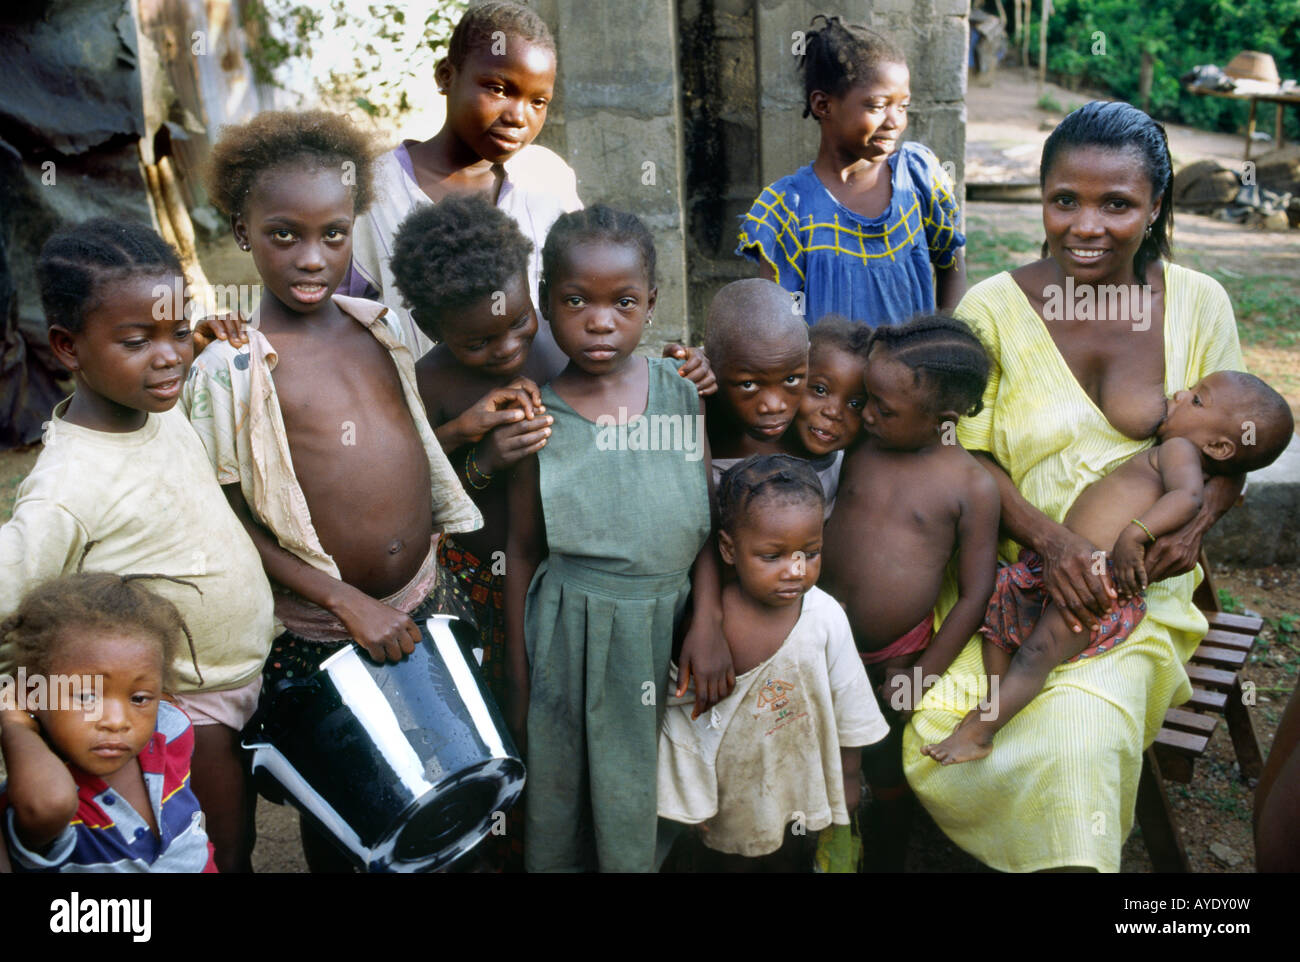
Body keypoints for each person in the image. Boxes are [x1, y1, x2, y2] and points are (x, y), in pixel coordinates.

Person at [903, 100, 1253, 872]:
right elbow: (962, 451)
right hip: (1008, 581)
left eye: (1116, 204)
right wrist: (1050, 540)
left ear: (1155, 206)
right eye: (1066, 200)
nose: (1085, 226)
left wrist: (1192, 530)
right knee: (937, 715)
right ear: (1042, 198)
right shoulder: (992, 308)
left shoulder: (1198, 305)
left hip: (1134, 593)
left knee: (1076, 742)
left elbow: (1231, 452)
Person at [183, 109, 482, 872]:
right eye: (284, 235)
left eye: (334, 234)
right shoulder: (234, 366)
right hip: (323, 633)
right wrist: (343, 599)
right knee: (354, 815)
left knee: (442, 797)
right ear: (242, 232)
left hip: (421, 599)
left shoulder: (377, 328)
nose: (312, 258)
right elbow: (215, 511)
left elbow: (399, 449)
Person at [0, 219, 277, 874]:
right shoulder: (67, 489)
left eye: (177, 332)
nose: (171, 357)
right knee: (217, 851)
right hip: (182, 707)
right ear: (68, 348)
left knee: (242, 834)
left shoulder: (159, 408)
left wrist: (181, 340)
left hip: (243, 675)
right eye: (138, 340)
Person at [505, 206, 731, 872]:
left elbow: (708, 523)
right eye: (577, 301)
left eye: (623, 302)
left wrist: (709, 620)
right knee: (566, 794)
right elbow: (521, 551)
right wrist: (520, 679)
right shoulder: (538, 416)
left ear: (651, 304)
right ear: (547, 305)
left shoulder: (682, 394)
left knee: (653, 788)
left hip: (668, 625)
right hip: (571, 636)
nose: (600, 320)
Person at [924, 370, 1293, 764]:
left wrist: (1135, 534)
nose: (1181, 393)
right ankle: (1001, 705)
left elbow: (1188, 499)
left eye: (1198, 400)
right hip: (1059, 569)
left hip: (1098, 582)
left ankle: (981, 729)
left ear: (1219, 447)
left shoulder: (1181, 451)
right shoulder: (1175, 449)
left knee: (1037, 651)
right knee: (1001, 622)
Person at [819, 313, 999, 870]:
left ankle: (888, 848)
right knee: (814, 740)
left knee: (882, 758)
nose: (865, 413)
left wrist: (924, 670)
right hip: (818, 634)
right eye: (867, 399)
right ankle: (811, 839)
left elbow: (976, 592)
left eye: (882, 408)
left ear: (941, 420)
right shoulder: (860, 449)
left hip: (895, 651)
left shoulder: (971, 486)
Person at [657, 455, 887, 871]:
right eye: (772, 556)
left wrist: (849, 779)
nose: (795, 571)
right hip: (727, 796)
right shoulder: (711, 630)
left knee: (791, 857)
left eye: (810, 552)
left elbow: (849, 702)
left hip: (798, 780)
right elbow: (683, 722)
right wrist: (693, 800)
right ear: (729, 549)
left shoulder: (825, 615)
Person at [343, 0, 580, 366]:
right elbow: (330, 313)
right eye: (498, 88)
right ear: (445, 76)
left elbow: (588, 287)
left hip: (545, 404)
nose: (518, 116)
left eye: (538, 101)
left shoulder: (548, 179)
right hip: (423, 412)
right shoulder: (371, 191)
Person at [737, 15, 965, 327]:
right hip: (826, 377)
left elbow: (950, 261)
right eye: (876, 106)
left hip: (915, 373)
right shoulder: (787, 210)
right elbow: (780, 325)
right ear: (822, 105)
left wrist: (946, 336)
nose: (894, 121)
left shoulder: (918, 178)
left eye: (902, 106)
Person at [0, 573, 217, 872]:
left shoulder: (170, 731)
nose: (117, 722)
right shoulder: (37, 786)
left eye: (139, 698)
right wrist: (15, 725)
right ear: (33, 694)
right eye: (87, 697)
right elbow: (47, 805)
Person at [703, 278, 809, 485]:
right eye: (748, 384)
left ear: (808, 356)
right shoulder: (698, 411)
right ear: (711, 366)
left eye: (791, 379)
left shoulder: (822, 419)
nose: (774, 406)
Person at [782, 314, 870, 517]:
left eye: (855, 404)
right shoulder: (752, 447)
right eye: (820, 390)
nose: (833, 413)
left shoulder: (846, 474)